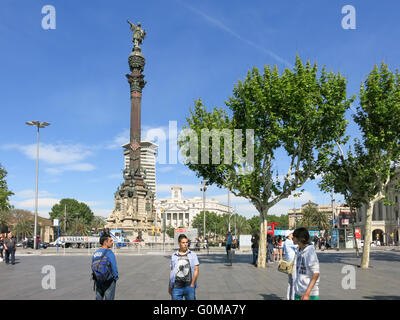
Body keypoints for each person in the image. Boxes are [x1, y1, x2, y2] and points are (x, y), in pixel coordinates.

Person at [169, 234, 199, 300]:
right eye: (183, 242)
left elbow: (196, 270)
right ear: (179, 243)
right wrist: (170, 286)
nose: (185, 244)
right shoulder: (174, 255)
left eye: (186, 242)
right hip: (176, 287)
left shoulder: (193, 255)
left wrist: (193, 284)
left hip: (189, 286)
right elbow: (172, 271)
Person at [293, 227, 320, 300]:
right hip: (298, 291)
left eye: (294, 236)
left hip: (309, 294)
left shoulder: (310, 252)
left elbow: (316, 273)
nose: (293, 238)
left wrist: (307, 293)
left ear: (300, 238)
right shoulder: (299, 251)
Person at [91, 233, 119, 300]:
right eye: (110, 241)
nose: (112, 242)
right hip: (109, 280)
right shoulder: (109, 253)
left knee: (99, 297)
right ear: (105, 242)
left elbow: (93, 265)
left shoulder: (95, 253)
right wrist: (115, 278)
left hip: (98, 279)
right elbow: (114, 267)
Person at [283, 230, 297, 300]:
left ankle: (288, 297)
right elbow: (298, 245)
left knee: (290, 282)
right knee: (294, 282)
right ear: (288, 235)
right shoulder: (289, 242)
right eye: (292, 234)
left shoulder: (286, 242)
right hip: (292, 263)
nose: (293, 234)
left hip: (289, 263)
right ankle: (292, 298)